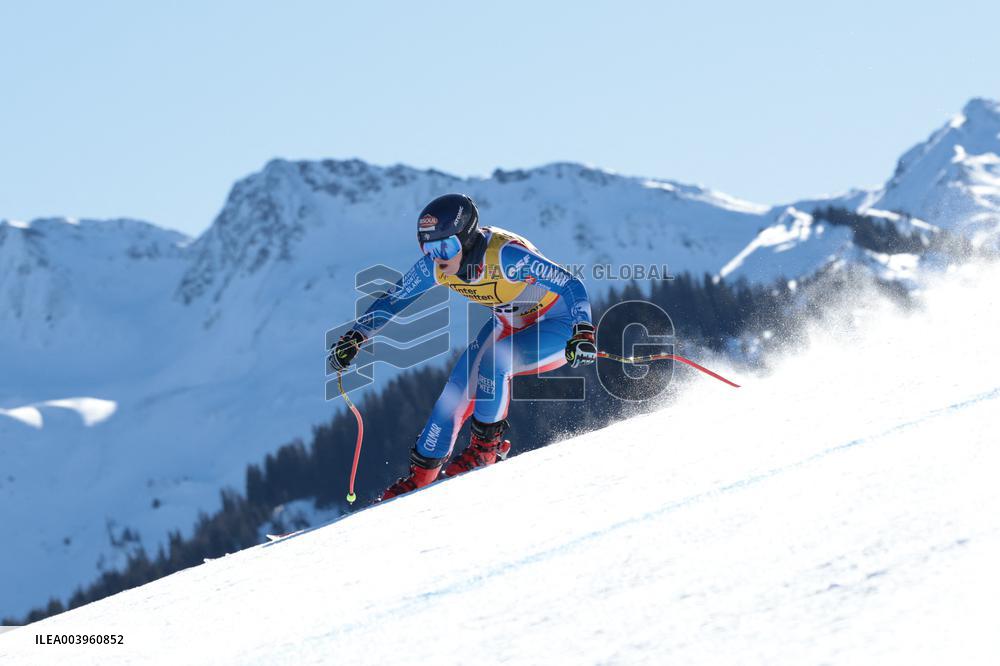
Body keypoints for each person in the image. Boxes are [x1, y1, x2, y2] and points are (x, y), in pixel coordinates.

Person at [328, 193, 597, 500]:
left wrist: (583, 331)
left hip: (557, 324)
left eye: (446, 247)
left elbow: (570, 284)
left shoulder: (505, 257)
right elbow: (393, 299)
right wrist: (357, 336)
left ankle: (486, 451)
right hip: (509, 324)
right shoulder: (435, 267)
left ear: (466, 239)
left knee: (497, 360)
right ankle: (419, 478)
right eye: (428, 249)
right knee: (453, 394)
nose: (438, 257)